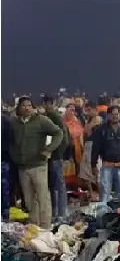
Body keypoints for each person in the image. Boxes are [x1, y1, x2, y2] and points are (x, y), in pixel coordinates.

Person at [9, 96, 64, 228]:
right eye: (24, 105)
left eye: (29, 105)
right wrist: (14, 155)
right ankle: (34, 225)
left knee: (42, 197)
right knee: (28, 199)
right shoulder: (15, 123)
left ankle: (45, 226)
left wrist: (48, 150)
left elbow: (58, 133)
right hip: (22, 167)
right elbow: (11, 142)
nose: (27, 107)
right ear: (19, 108)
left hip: (38, 165)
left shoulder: (41, 120)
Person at [91, 105, 120, 203]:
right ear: (108, 115)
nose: (115, 116)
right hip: (107, 165)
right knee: (105, 193)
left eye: (117, 114)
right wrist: (93, 165)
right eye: (112, 114)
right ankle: (104, 214)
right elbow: (95, 148)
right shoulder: (101, 130)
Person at [43, 96, 71, 221]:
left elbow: (64, 138)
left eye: (50, 103)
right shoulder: (45, 117)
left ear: (53, 103)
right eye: (46, 103)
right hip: (49, 157)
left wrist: (57, 153)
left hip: (55, 157)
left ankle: (61, 213)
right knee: (53, 185)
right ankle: (55, 213)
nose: (48, 105)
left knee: (59, 186)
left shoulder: (56, 117)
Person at [78, 102, 104, 201]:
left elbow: (86, 130)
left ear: (94, 109)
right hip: (87, 145)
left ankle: (100, 194)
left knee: (95, 172)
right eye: (86, 110)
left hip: (94, 146)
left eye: (89, 110)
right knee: (84, 171)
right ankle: (91, 192)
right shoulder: (89, 119)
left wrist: (88, 122)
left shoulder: (97, 118)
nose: (87, 112)